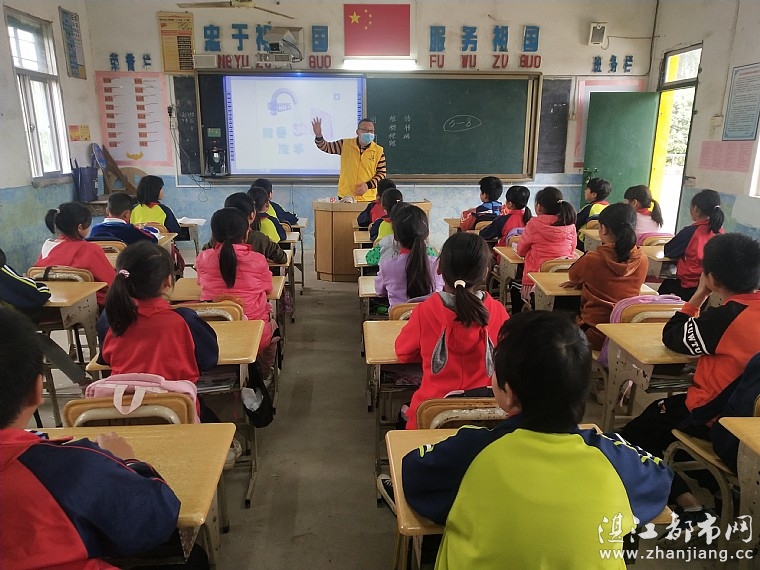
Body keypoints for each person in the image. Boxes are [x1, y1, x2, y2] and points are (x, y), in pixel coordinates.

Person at [402, 311, 673, 569]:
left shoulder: (470, 453)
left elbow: (414, 473)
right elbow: (660, 478)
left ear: (508, 394)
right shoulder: (616, 461)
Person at [0, 306, 190, 570]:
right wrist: (127, 461)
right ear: (37, 389)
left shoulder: (111, 318)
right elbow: (156, 518)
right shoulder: (71, 468)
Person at [619, 233, 760, 523]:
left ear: (712, 278)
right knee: (669, 430)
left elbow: (673, 336)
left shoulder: (724, 319)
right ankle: (720, 490)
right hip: (753, 427)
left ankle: (689, 503)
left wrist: (699, 295)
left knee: (631, 438)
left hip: (716, 420)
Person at [394, 232, 509, 431]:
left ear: (439, 268)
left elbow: (403, 353)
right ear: (485, 273)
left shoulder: (425, 311)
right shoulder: (497, 311)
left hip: (432, 414)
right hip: (487, 416)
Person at [96, 241, 218, 384]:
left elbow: (106, 360)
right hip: (175, 397)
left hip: (124, 396)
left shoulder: (110, 317)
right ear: (167, 281)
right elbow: (209, 360)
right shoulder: (185, 320)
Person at [196, 208, 276, 368]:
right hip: (253, 334)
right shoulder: (257, 260)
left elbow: (200, 284)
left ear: (213, 234)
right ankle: (266, 373)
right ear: (246, 233)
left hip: (211, 336)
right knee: (274, 327)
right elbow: (268, 288)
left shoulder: (203, 258)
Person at [562, 203, 648, 350]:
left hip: (594, 333)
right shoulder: (643, 260)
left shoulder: (592, 259)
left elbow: (573, 276)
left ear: (603, 229)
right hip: (623, 333)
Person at [35, 202, 115, 305]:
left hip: (51, 305)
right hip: (90, 306)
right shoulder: (90, 250)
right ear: (80, 227)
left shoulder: (47, 247)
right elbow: (112, 284)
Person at [515, 186, 576, 309]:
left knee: (515, 286)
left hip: (535, 283)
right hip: (563, 282)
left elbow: (521, 251)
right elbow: (572, 249)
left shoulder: (533, 224)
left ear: (539, 206)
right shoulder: (570, 224)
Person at [659, 189, 725, 301]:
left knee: (664, 288)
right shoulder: (721, 232)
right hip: (709, 287)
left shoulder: (690, 232)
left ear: (696, 209)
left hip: (688, 286)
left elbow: (669, 251)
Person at [375, 203, 443, 307]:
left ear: (396, 236)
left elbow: (380, 292)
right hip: (432, 316)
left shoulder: (387, 266)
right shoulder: (438, 265)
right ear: (426, 234)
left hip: (400, 317)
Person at [312, 117, 387, 202]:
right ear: (357, 132)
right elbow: (325, 147)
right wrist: (319, 135)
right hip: (346, 196)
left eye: (371, 131)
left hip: (368, 198)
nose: (369, 133)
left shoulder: (378, 151)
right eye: (365, 130)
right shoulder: (345, 144)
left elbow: (382, 174)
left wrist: (368, 185)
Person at [202, 192, 287, 264]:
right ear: (252, 215)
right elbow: (282, 258)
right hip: (256, 278)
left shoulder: (216, 239)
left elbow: (202, 257)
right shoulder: (259, 239)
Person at [88, 191, 158, 245]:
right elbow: (153, 241)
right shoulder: (131, 230)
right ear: (126, 214)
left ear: (107, 211)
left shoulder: (95, 229)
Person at [575, 177, 611, 250]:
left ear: (594, 194)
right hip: (603, 242)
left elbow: (576, 223)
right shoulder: (609, 207)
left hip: (584, 243)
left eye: (587, 189)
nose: (585, 191)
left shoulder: (589, 208)